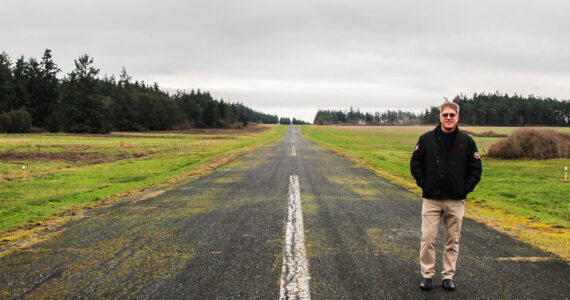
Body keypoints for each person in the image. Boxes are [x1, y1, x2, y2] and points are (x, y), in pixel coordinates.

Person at [410, 101, 482, 291]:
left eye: (452, 115)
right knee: (428, 238)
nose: (448, 118)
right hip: (432, 199)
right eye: (445, 115)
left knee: (453, 240)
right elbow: (415, 164)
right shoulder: (426, 139)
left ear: (457, 117)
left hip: (456, 200)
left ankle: (448, 276)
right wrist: (425, 184)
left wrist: (463, 189)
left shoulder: (467, 142)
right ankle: (427, 274)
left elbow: (475, 170)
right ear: (440, 117)